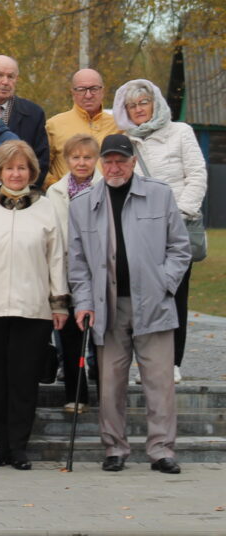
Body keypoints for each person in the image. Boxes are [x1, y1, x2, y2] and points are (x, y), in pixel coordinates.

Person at [69, 134, 191, 474]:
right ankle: (114, 449)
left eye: (120, 160)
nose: (114, 166)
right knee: (110, 382)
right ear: (99, 163)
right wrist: (83, 302)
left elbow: (180, 249)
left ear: (133, 162)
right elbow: (77, 263)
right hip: (107, 305)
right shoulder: (82, 204)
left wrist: (163, 283)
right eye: (107, 160)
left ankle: (162, 449)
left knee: (160, 381)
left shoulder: (160, 194)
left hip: (153, 302)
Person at [0, 141, 67, 470]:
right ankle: (1, 447)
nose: (15, 173)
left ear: (31, 172)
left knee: (23, 382)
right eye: (9, 167)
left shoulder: (45, 208)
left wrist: (59, 304)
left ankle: (20, 448)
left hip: (32, 310)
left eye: (22, 167)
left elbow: (56, 259)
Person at [112, 79, 207, 383]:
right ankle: (145, 363)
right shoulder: (126, 139)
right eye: (132, 105)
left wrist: (179, 214)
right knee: (143, 298)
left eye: (144, 102)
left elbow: (196, 175)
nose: (139, 109)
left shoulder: (181, 132)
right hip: (141, 233)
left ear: (155, 103)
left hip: (177, 228)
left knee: (175, 295)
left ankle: (172, 362)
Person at [45, 134, 102, 411]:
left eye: (88, 157)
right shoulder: (55, 192)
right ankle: (75, 395)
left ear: (96, 159)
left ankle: (106, 392)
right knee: (70, 337)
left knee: (102, 338)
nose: (82, 162)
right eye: (76, 157)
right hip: (67, 270)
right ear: (67, 160)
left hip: (100, 271)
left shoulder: (105, 187)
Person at [44, 68, 119, 188]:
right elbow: (40, 166)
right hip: (66, 202)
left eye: (94, 89)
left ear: (102, 91)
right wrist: (58, 188)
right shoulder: (54, 125)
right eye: (81, 90)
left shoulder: (118, 125)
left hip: (108, 200)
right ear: (73, 93)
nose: (88, 95)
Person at [0, 55, 50, 182]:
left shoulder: (34, 114)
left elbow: (41, 162)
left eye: (10, 76)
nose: (5, 82)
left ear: (16, 79)